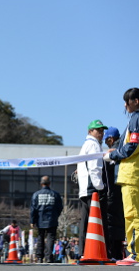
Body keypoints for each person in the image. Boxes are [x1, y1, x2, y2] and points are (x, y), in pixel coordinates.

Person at [104, 88, 139, 265]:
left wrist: (114, 155)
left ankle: (135, 254)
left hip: (131, 173)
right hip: (133, 172)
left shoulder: (136, 119)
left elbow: (133, 146)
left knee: (132, 215)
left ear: (136, 101)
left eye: (127, 101)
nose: (125, 105)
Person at [76, 119, 108, 257]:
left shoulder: (86, 145)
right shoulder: (93, 145)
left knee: (85, 221)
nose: (101, 133)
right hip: (92, 188)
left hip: (84, 188)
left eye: (102, 130)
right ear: (90, 131)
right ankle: (92, 252)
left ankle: (83, 252)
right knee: (94, 221)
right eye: (98, 130)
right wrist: (100, 187)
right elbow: (94, 168)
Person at [102, 127, 125, 260]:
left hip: (113, 191)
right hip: (121, 190)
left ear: (111, 139)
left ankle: (113, 253)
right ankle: (119, 252)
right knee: (120, 222)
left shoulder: (114, 152)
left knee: (111, 222)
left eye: (106, 140)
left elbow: (109, 167)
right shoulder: (121, 147)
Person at [30, 176, 63, 263]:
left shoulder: (36, 194)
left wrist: (32, 221)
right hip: (52, 219)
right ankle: (49, 257)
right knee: (50, 238)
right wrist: (56, 215)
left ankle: (40, 257)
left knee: (40, 237)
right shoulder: (55, 194)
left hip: (40, 219)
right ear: (49, 183)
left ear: (41, 184)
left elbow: (33, 209)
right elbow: (60, 207)